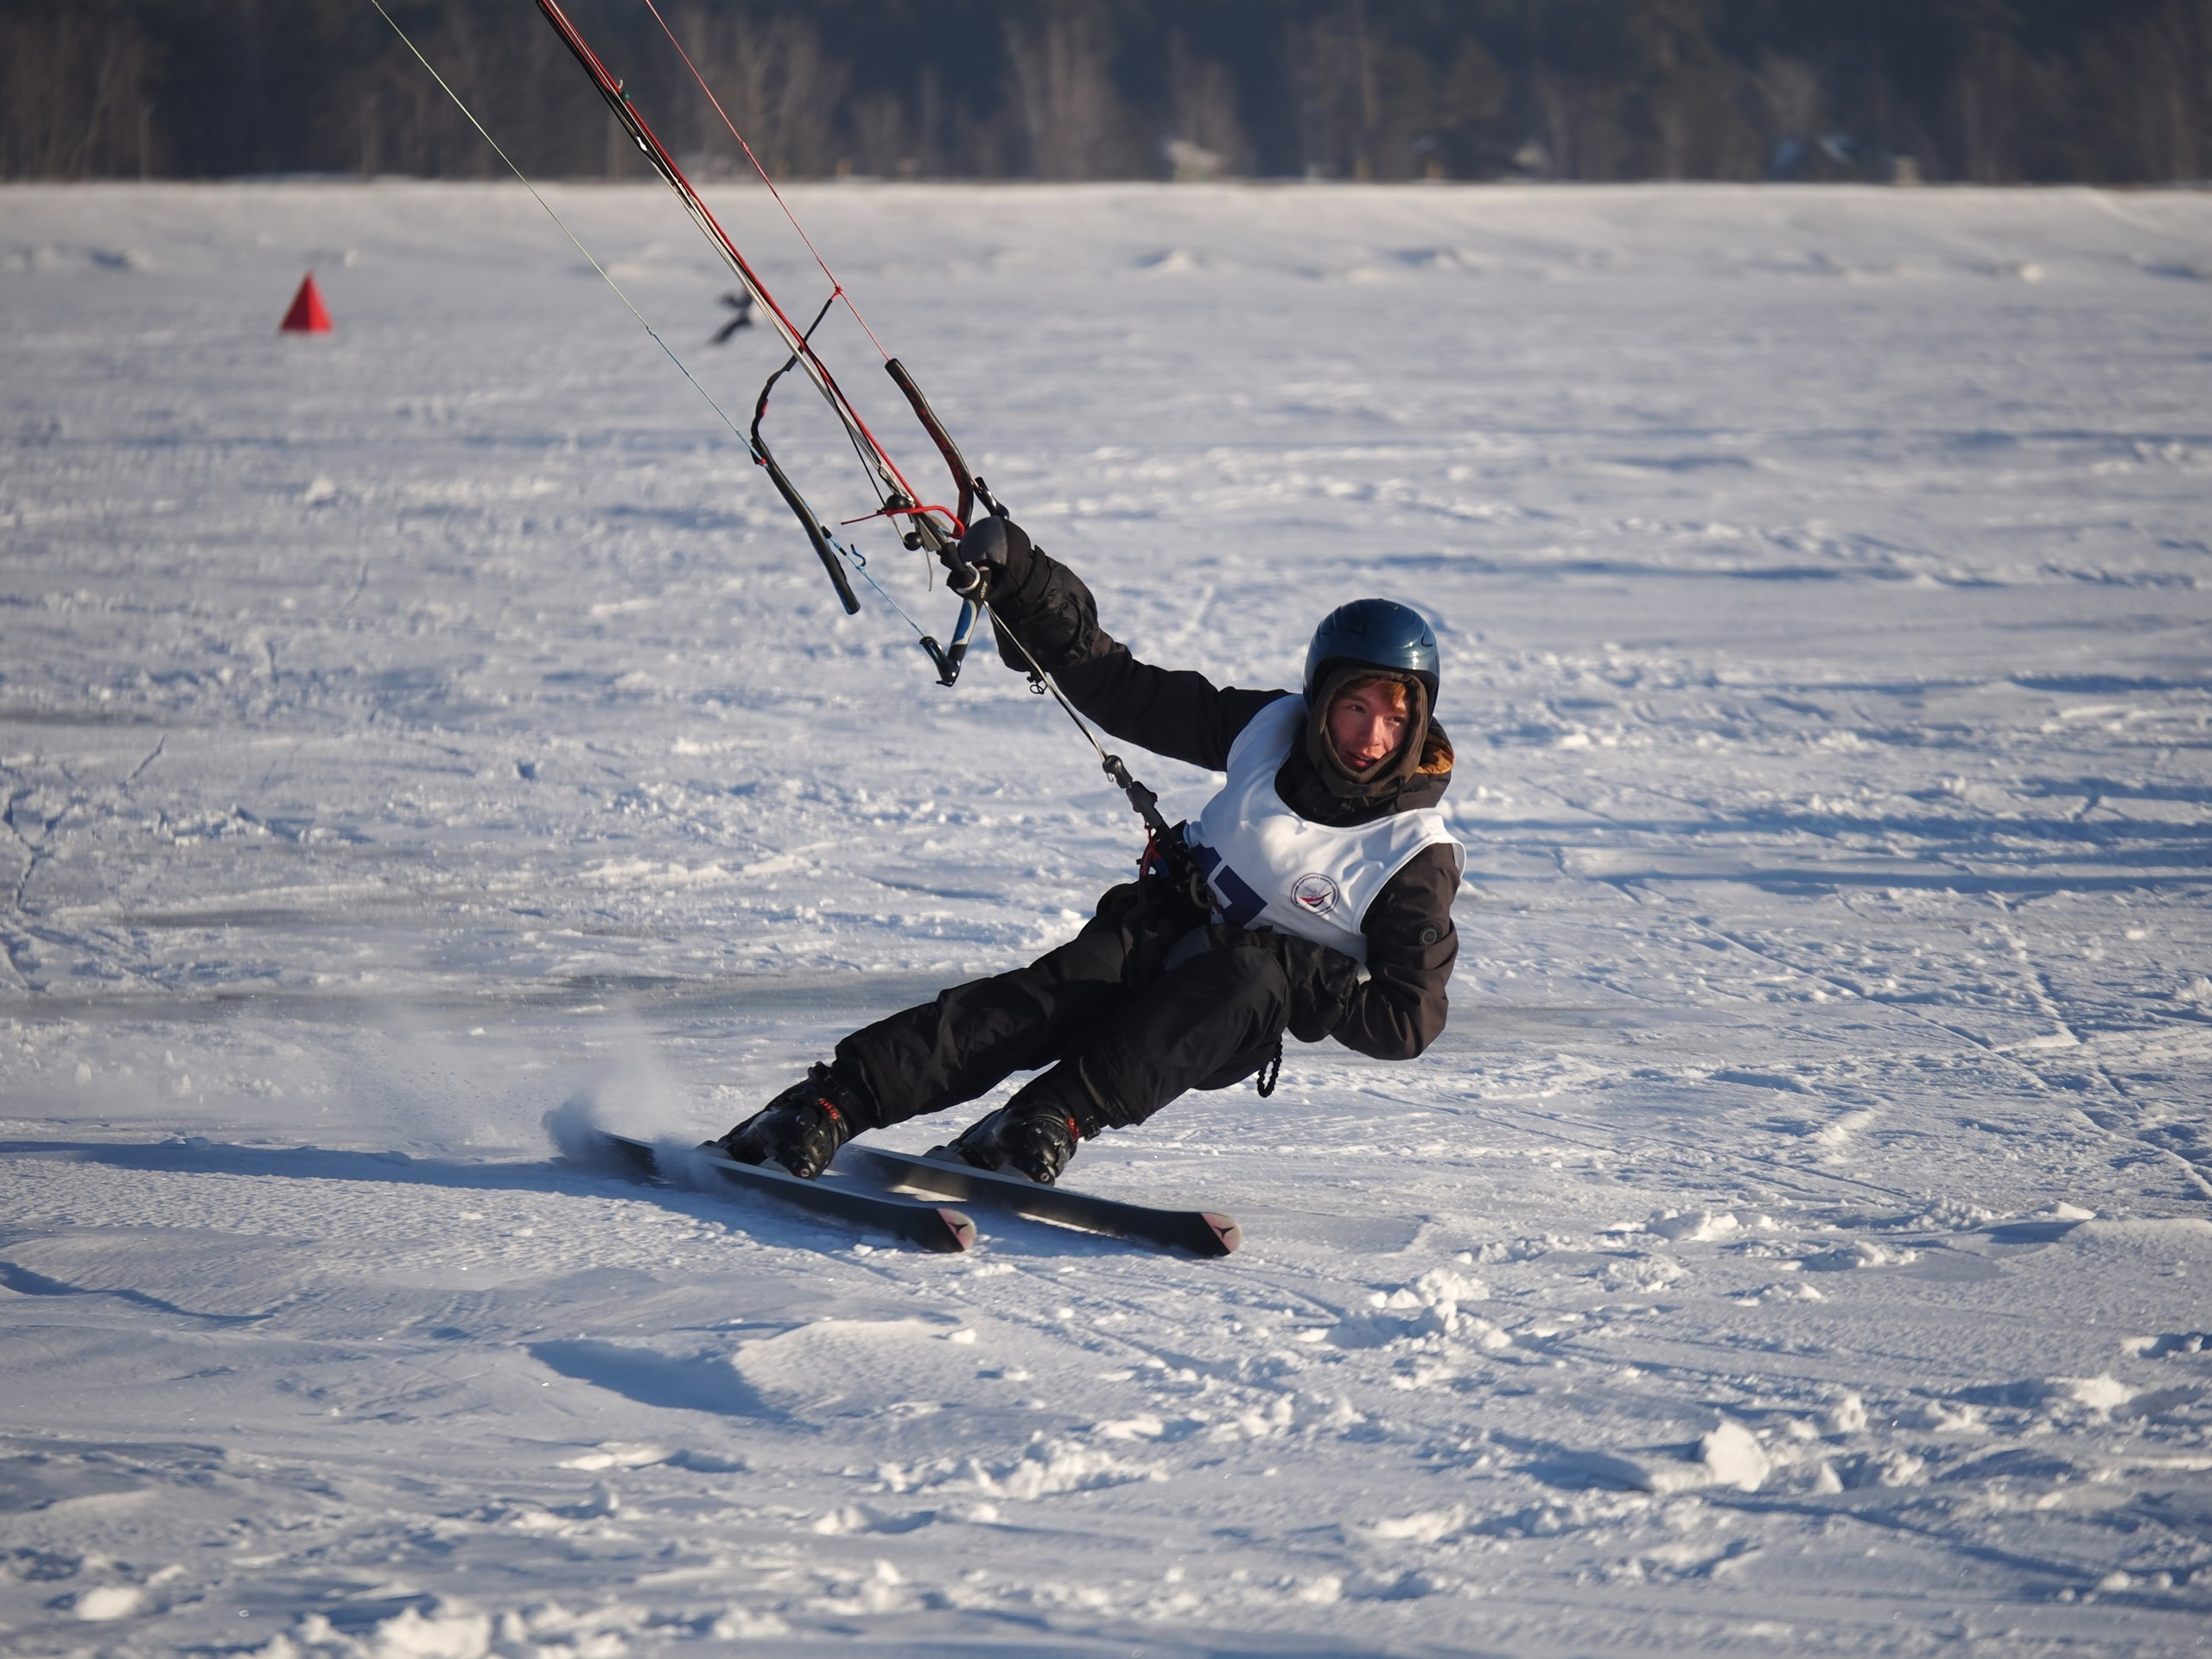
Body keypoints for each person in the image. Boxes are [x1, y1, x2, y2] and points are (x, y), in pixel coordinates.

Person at [713, 517, 1463, 1185]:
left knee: (1250, 977)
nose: (1370, 737)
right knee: (1032, 1005)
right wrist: (1023, 578)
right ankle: (822, 1106)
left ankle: (1046, 1121)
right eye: (1354, 709)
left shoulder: (1410, 855)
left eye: (1394, 719)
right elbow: (1124, 688)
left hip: (1228, 1013)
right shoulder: (1269, 727)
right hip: (1160, 929)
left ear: (1418, 720)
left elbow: (1409, 1020)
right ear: (1320, 701)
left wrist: (1299, 968)